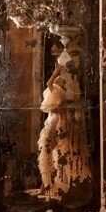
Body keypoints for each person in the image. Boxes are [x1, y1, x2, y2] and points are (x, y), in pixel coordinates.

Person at [37, 50, 92, 200]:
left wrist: (56, 72)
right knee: (49, 150)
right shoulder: (56, 92)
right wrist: (56, 72)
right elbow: (49, 85)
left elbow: (50, 85)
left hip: (58, 123)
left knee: (56, 151)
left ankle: (51, 183)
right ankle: (46, 183)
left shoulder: (59, 93)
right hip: (55, 122)